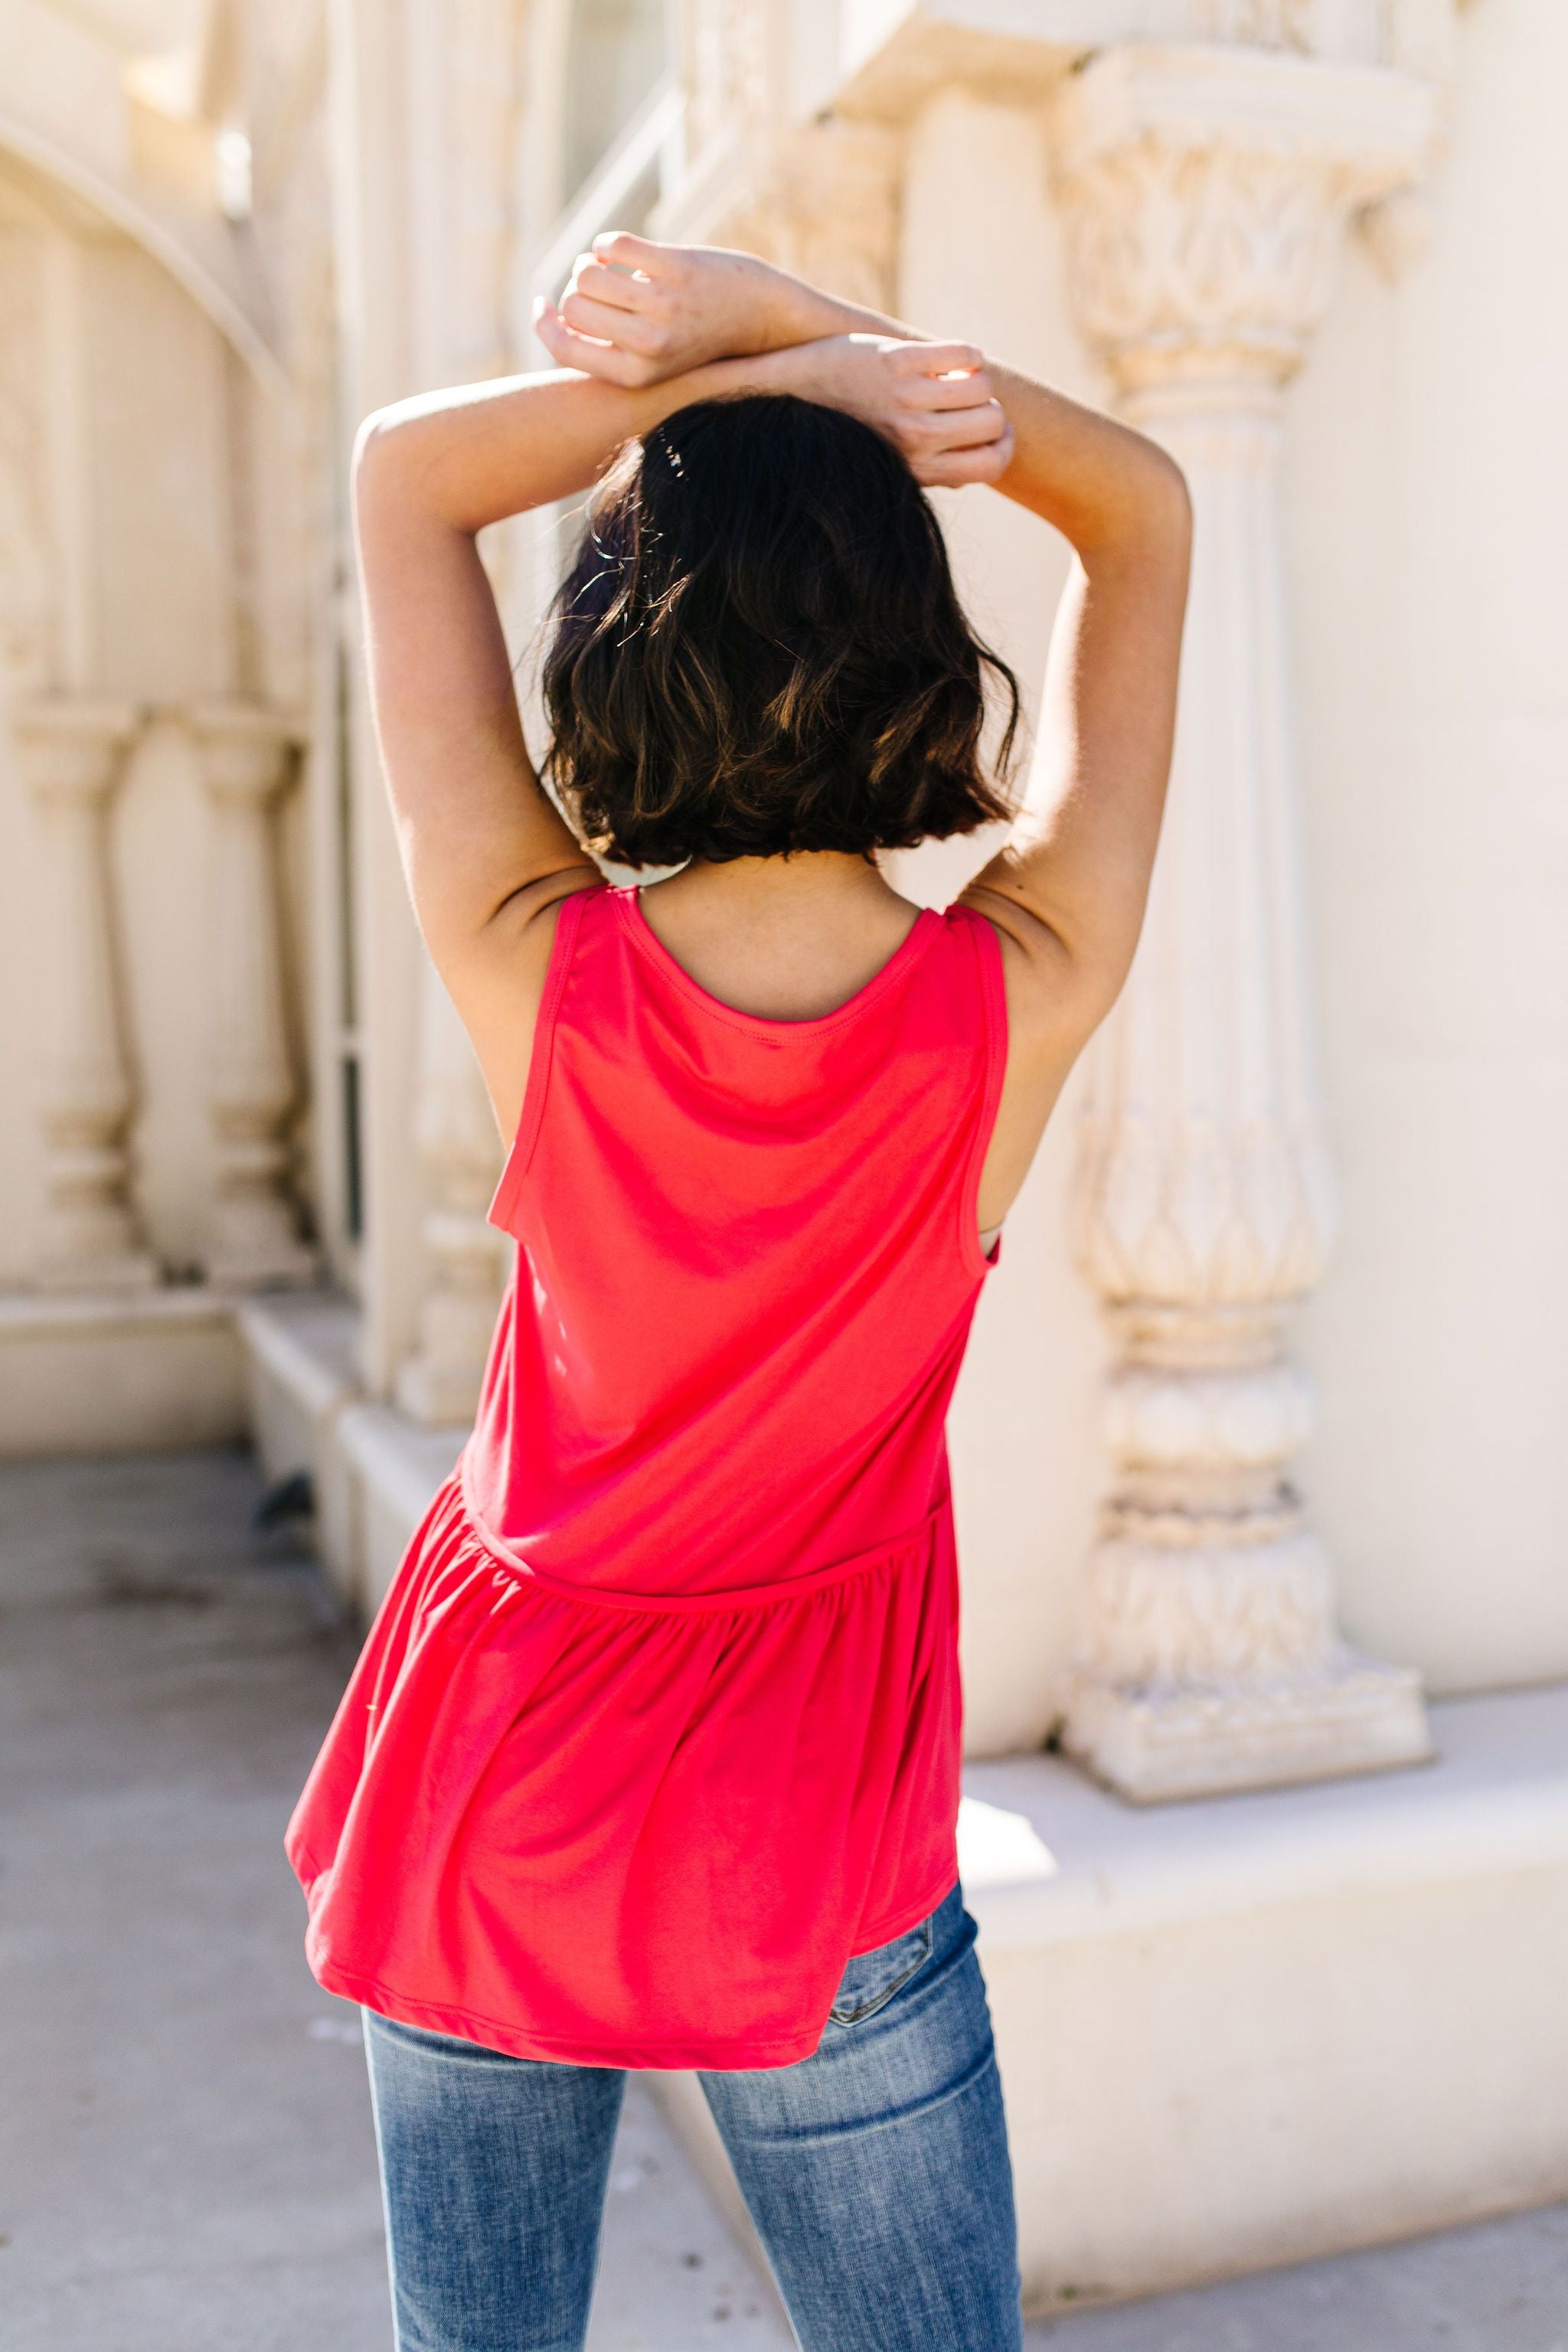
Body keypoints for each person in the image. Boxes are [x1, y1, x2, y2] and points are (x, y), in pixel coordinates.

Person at [287, 235, 1190, 2352]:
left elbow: (405, 477)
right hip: (814, 1817)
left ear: (609, 655)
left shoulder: (531, 957)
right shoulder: (1020, 995)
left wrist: (757, 371)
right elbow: (1143, 511)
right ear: (922, 666)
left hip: (496, 1775)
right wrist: (824, 353)